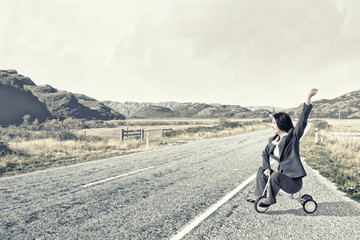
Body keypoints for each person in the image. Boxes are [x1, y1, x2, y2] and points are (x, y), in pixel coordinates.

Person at [247, 88, 318, 207]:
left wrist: (308, 97)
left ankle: (270, 199)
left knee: (275, 175)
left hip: (293, 182)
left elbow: (303, 120)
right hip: (281, 176)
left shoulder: (292, 137)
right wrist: (266, 168)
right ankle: (259, 195)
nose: (272, 126)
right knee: (261, 170)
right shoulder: (273, 141)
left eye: (274, 123)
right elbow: (265, 154)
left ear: (281, 123)